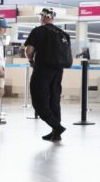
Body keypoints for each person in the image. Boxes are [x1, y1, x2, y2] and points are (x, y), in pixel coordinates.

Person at [24, 8, 71, 142]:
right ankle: (56, 133)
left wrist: (31, 61)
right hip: (58, 71)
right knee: (54, 100)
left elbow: (29, 50)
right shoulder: (63, 34)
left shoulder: (38, 31)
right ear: (53, 18)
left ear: (43, 17)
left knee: (39, 100)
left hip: (42, 70)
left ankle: (57, 127)